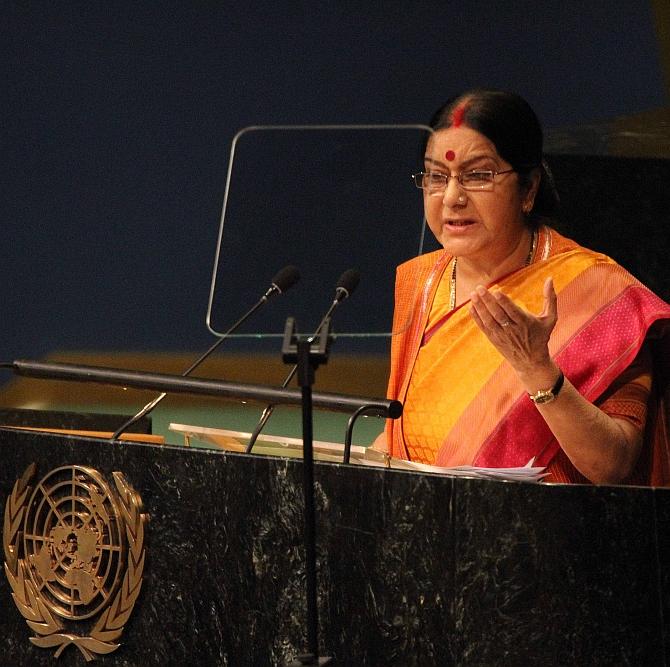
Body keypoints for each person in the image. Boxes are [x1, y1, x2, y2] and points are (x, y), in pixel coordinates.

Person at [374, 89, 670, 485]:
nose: (452, 197)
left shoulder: (598, 292)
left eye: (478, 175)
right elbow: (405, 435)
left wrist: (537, 370)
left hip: (544, 536)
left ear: (528, 189)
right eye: (436, 176)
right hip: (421, 529)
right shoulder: (420, 281)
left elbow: (613, 466)